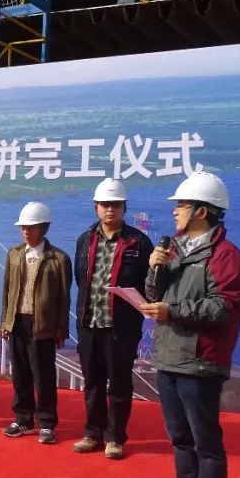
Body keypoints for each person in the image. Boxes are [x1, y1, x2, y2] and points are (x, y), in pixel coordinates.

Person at [139, 171, 240, 478]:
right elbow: (153, 295)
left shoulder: (227, 256)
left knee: (206, 442)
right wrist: (154, 266)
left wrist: (172, 310)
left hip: (201, 361)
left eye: (182, 205)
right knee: (180, 438)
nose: (175, 212)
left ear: (202, 211)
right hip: (170, 356)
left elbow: (224, 307)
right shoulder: (174, 249)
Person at [72, 178, 154, 459]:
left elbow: (148, 284)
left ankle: (115, 437)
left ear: (124, 208)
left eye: (116, 205)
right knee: (92, 381)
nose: (110, 210)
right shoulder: (85, 239)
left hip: (121, 328)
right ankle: (92, 433)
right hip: (89, 323)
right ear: (96, 207)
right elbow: (80, 280)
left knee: (119, 383)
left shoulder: (138, 242)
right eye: (105, 205)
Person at [0, 201, 71, 445]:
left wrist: (61, 328)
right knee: (20, 374)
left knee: (44, 376)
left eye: (30, 227)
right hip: (17, 322)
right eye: (23, 228)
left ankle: (47, 424)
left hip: (43, 325)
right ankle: (23, 420)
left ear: (43, 228)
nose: (25, 232)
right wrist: (5, 321)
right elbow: (6, 291)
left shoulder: (58, 259)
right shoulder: (14, 254)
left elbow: (64, 297)